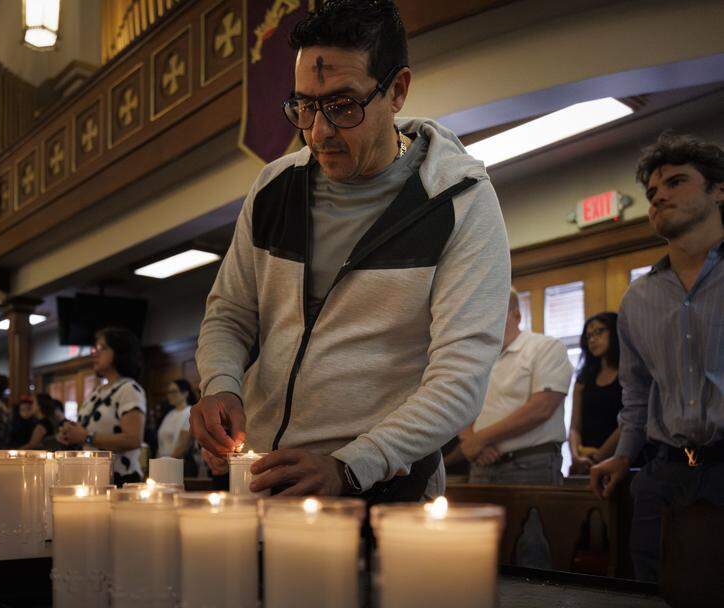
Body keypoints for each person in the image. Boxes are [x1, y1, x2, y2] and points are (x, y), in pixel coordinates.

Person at [190, 0, 509, 500]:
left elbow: (461, 377)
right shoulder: (275, 186)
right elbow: (229, 314)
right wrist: (221, 385)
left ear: (397, 91)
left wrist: (349, 466)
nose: (318, 133)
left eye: (343, 106)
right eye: (305, 106)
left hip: (387, 492)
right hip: (266, 478)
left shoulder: (458, 201)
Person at [590, 132, 724, 583]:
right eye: (652, 192)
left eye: (677, 182)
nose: (659, 196)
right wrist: (622, 456)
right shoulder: (637, 299)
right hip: (662, 475)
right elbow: (637, 392)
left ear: (718, 190)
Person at [459, 289, 573, 485]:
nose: (486, 322)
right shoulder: (477, 359)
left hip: (530, 465)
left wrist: (479, 440)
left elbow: (541, 408)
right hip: (481, 463)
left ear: (517, 315)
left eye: (494, 314)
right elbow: (462, 405)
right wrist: (470, 441)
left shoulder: (546, 347)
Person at [58, 327, 148, 485]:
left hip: (119, 479)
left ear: (119, 352)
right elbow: (86, 432)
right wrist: (70, 433)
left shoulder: (129, 389)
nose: (95, 353)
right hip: (93, 478)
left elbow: (133, 439)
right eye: (95, 348)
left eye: (102, 348)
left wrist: (86, 436)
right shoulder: (97, 392)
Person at [568, 313, 622, 475]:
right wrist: (576, 456)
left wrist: (599, 457)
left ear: (615, 332)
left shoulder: (629, 373)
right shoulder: (583, 379)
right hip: (584, 463)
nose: (592, 339)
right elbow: (574, 428)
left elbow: (630, 422)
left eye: (599, 332)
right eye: (589, 335)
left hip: (620, 460)